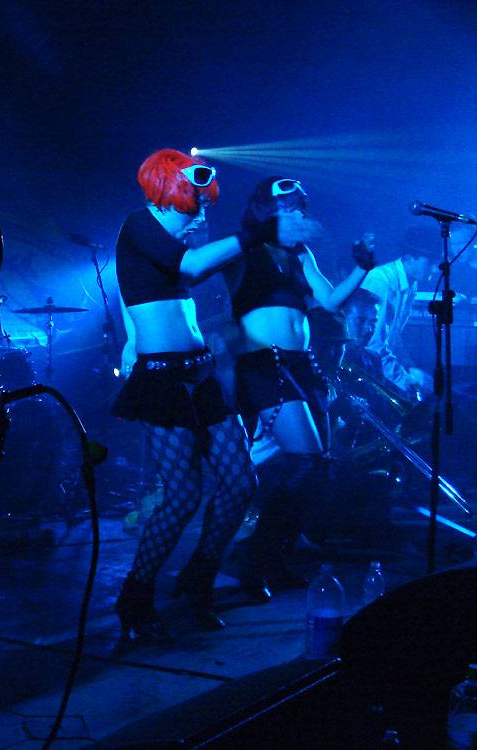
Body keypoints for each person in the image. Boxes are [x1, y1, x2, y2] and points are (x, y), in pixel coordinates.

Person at [111, 149, 304, 641]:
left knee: (240, 483)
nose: (201, 213)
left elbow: (171, 286)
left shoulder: (173, 241)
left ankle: (199, 576)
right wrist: (257, 231)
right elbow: (193, 266)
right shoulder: (139, 225)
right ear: (168, 191)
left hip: (201, 373)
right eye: (194, 203)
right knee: (182, 495)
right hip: (162, 379)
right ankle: (135, 596)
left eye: (204, 204)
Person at [223, 177, 374, 599]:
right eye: (287, 208)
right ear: (268, 211)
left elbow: (329, 301)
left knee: (317, 466)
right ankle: (253, 559)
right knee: (305, 462)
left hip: (301, 363)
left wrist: (362, 267)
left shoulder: (301, 253)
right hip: (264, 363)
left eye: (299, 207)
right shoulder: (245, 248)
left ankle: (275, 557)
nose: (297, 214)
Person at [360, 227, 439, 397]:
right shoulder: (380, 281)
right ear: (409, 258)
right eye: (430, 262)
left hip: (381, 368)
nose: (435, 269)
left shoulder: (412, 285)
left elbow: (393, 337)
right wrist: (407, 382)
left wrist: (410, 368)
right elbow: (374, 345)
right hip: (365, 371)